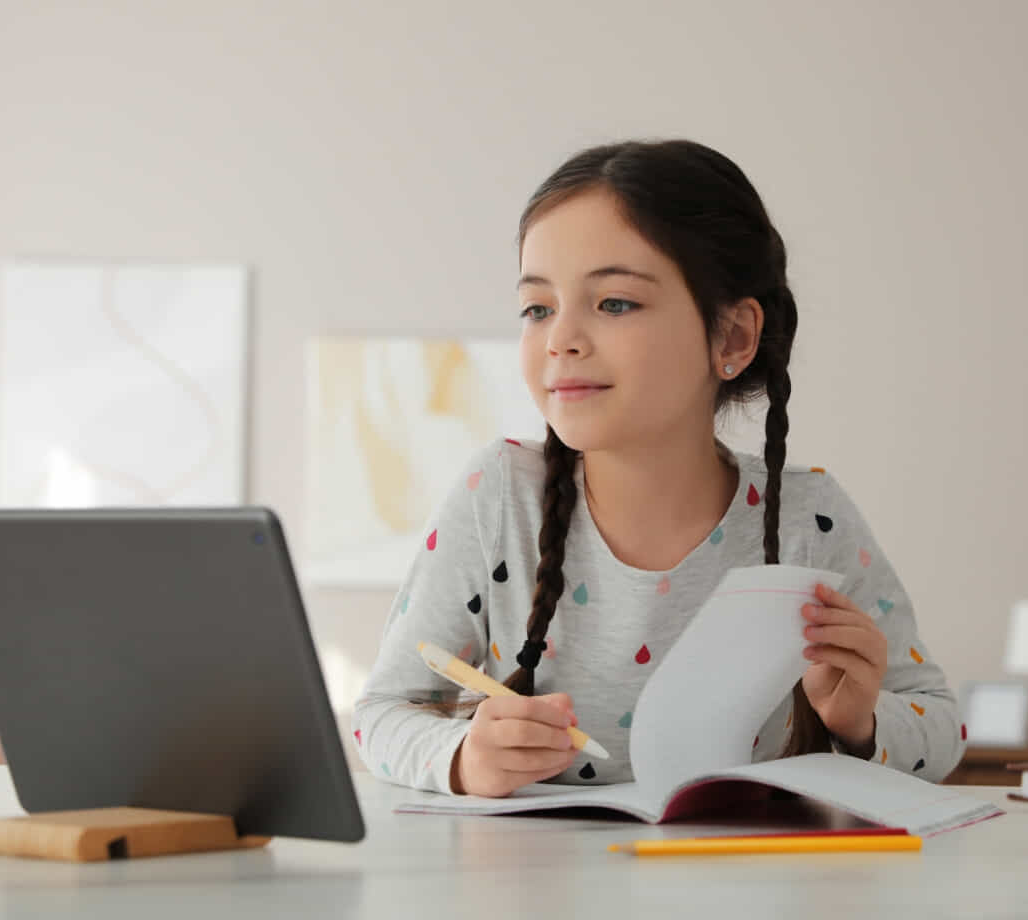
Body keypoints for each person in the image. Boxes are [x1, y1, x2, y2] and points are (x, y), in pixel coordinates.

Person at [353, 139, 964, 797]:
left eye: (614, 302)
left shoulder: (810, 518)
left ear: (731, 338)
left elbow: (943, 731)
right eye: (538, 307)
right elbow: (380, 718)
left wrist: (860, 722)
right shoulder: (498, 496)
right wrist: (465, 758)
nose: (561, 338)